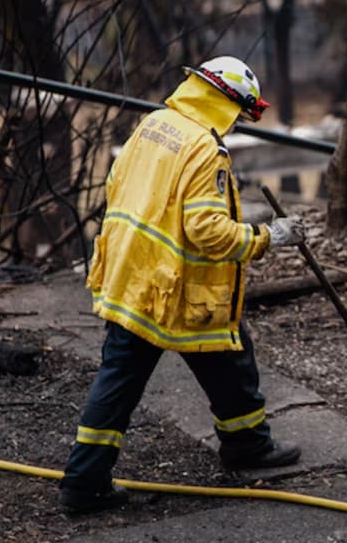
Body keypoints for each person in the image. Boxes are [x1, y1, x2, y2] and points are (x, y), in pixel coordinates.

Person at [60, 56, 307, 515]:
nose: (235, 125)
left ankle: (84, 481)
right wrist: (268, 236)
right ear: (225, 104)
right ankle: (246, 447)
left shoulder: (155, 124)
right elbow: (208, 231)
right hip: (177, 289)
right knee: (219, 358)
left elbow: (117, 184)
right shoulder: (204, 149)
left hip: (131, 274)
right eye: (239, 115)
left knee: (136, 376)